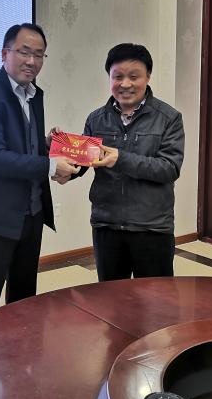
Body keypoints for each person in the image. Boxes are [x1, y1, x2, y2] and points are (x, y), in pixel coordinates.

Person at [0, 23, 79, 319]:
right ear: (5, 54)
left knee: (25, 299)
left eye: (39, 55)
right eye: (24, 52)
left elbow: (21, 145)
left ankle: (22, 347)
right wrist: (50, 165)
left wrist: (46, 144)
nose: (31, 61)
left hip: (32, 213)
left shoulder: (34, 94)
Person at [75, 43, 184, 281]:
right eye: (118, 77)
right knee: (111, 299)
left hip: (152, 228)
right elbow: (84, 161)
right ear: (109, 78)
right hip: (107, 226)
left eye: (134, 77)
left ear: (148, 77)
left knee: (156, 300)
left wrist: (120, 159)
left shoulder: (169, 118)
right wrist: (61, 159)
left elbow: (169, 168)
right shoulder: (96, 119)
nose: (125, 84)